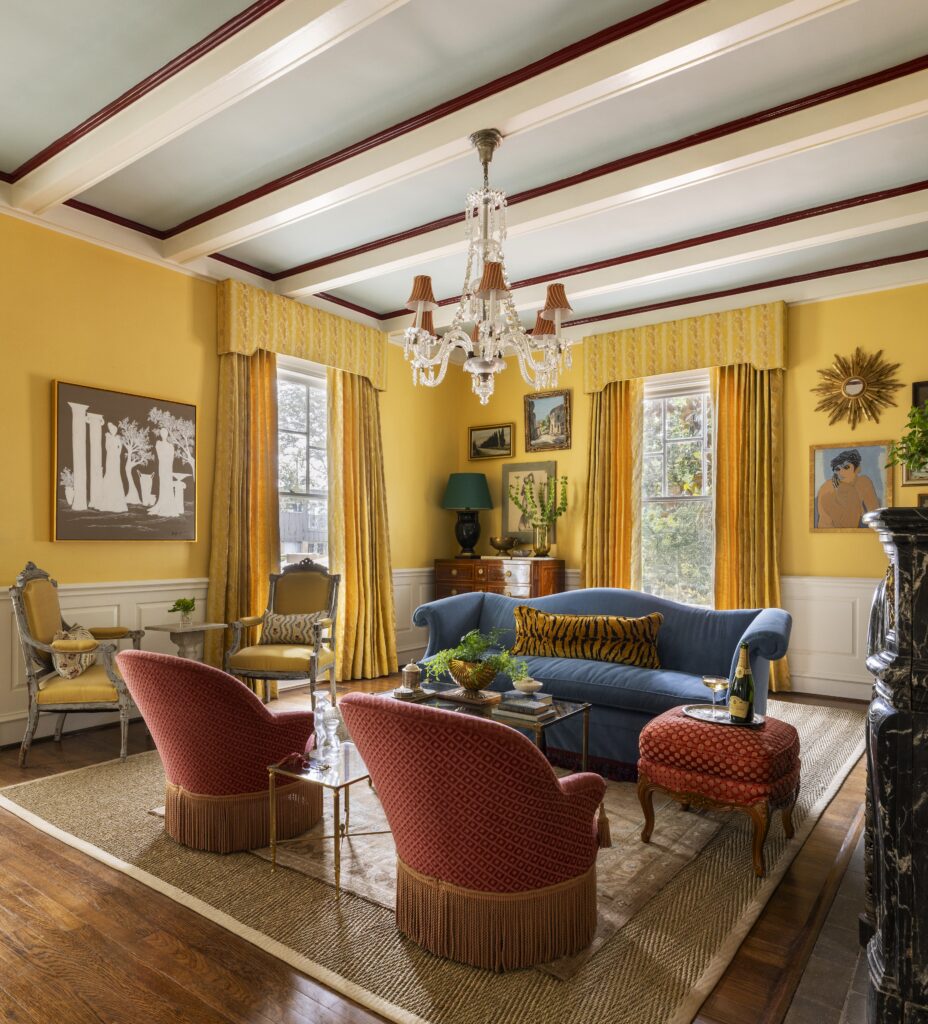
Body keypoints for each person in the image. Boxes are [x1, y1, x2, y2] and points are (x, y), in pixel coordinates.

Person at [816, 449, 880, 529]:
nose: (841, 472)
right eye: (837, 469)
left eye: (846, 467)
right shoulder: (828, 488)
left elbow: (875, 513)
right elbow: (843, 523)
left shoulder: (864, 482)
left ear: (857, 469)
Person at [149, 428, 178, 517]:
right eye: (162, 433)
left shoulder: (170, 446)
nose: (163, 434)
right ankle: (162, 503)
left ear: (167, 434)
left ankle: (168, 504)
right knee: (163, 484)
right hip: (162, 467)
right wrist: (165, 460)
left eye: (165, 433)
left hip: (168, 467)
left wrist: (169, 466)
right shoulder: (159, 444)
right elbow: (159, 455)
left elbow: (171, 458)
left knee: (168, 484)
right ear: (160, 434)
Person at [99, 422, 128, 513]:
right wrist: (112, 451)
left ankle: (117, 503)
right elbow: (107, 447)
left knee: (116, 476)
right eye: (111, 429)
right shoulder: (108, 437)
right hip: (110, 458)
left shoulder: (118, 438)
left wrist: (117, 452)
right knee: (109, 475)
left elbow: (120, 448)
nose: (113, 431)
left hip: (116, 459)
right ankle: (107, 503)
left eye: (114, 430)